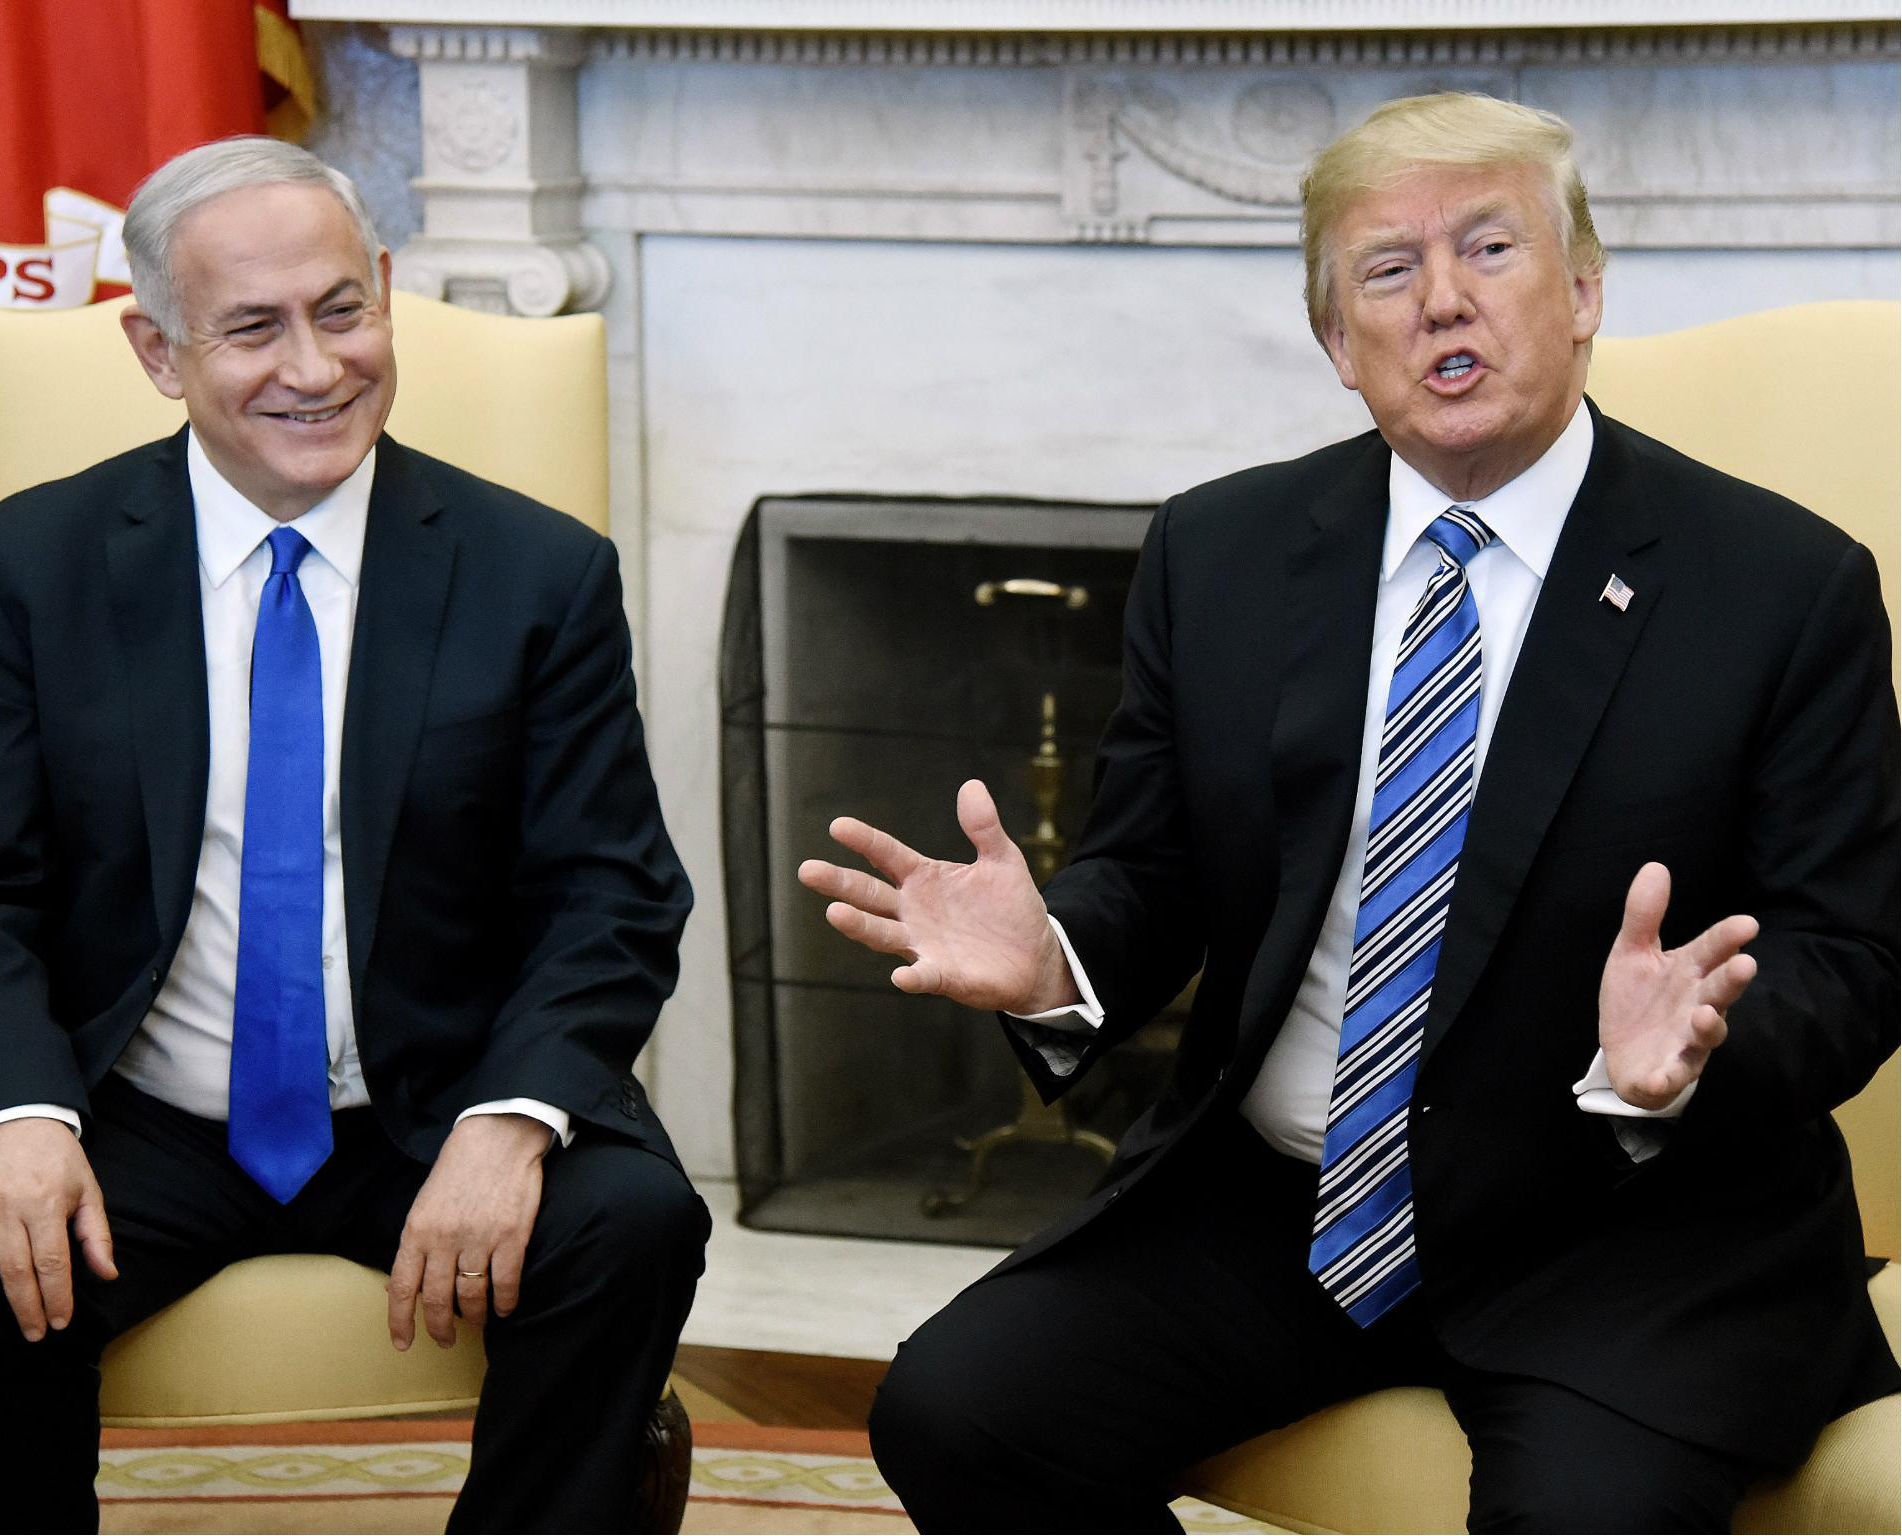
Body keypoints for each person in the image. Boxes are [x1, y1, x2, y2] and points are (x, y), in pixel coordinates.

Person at [800, 92, 1898, 1532]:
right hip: (1283, 1208)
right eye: (1387, 270)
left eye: (1491, 249)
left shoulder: (1781, 586)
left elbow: (1853, 958)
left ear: (1583, 293)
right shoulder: (1224, 550)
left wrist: (1687, 1054)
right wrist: (1056, 958)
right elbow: (1154, 872)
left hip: (1623, 1233)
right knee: (958, 1411)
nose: (1443, 298)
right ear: (1336, 343)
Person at [0, 136, 707, 1533]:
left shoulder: (538, 575)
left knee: (629, 1227)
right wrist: (11, 1115)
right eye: (251, 328)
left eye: (341, 309)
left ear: (384, 293)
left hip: (431, 1099)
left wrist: (511, 1119)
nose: (314, 369)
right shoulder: (29, 571)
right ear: (156, 349)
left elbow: (610, 896)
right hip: (134, 1105)